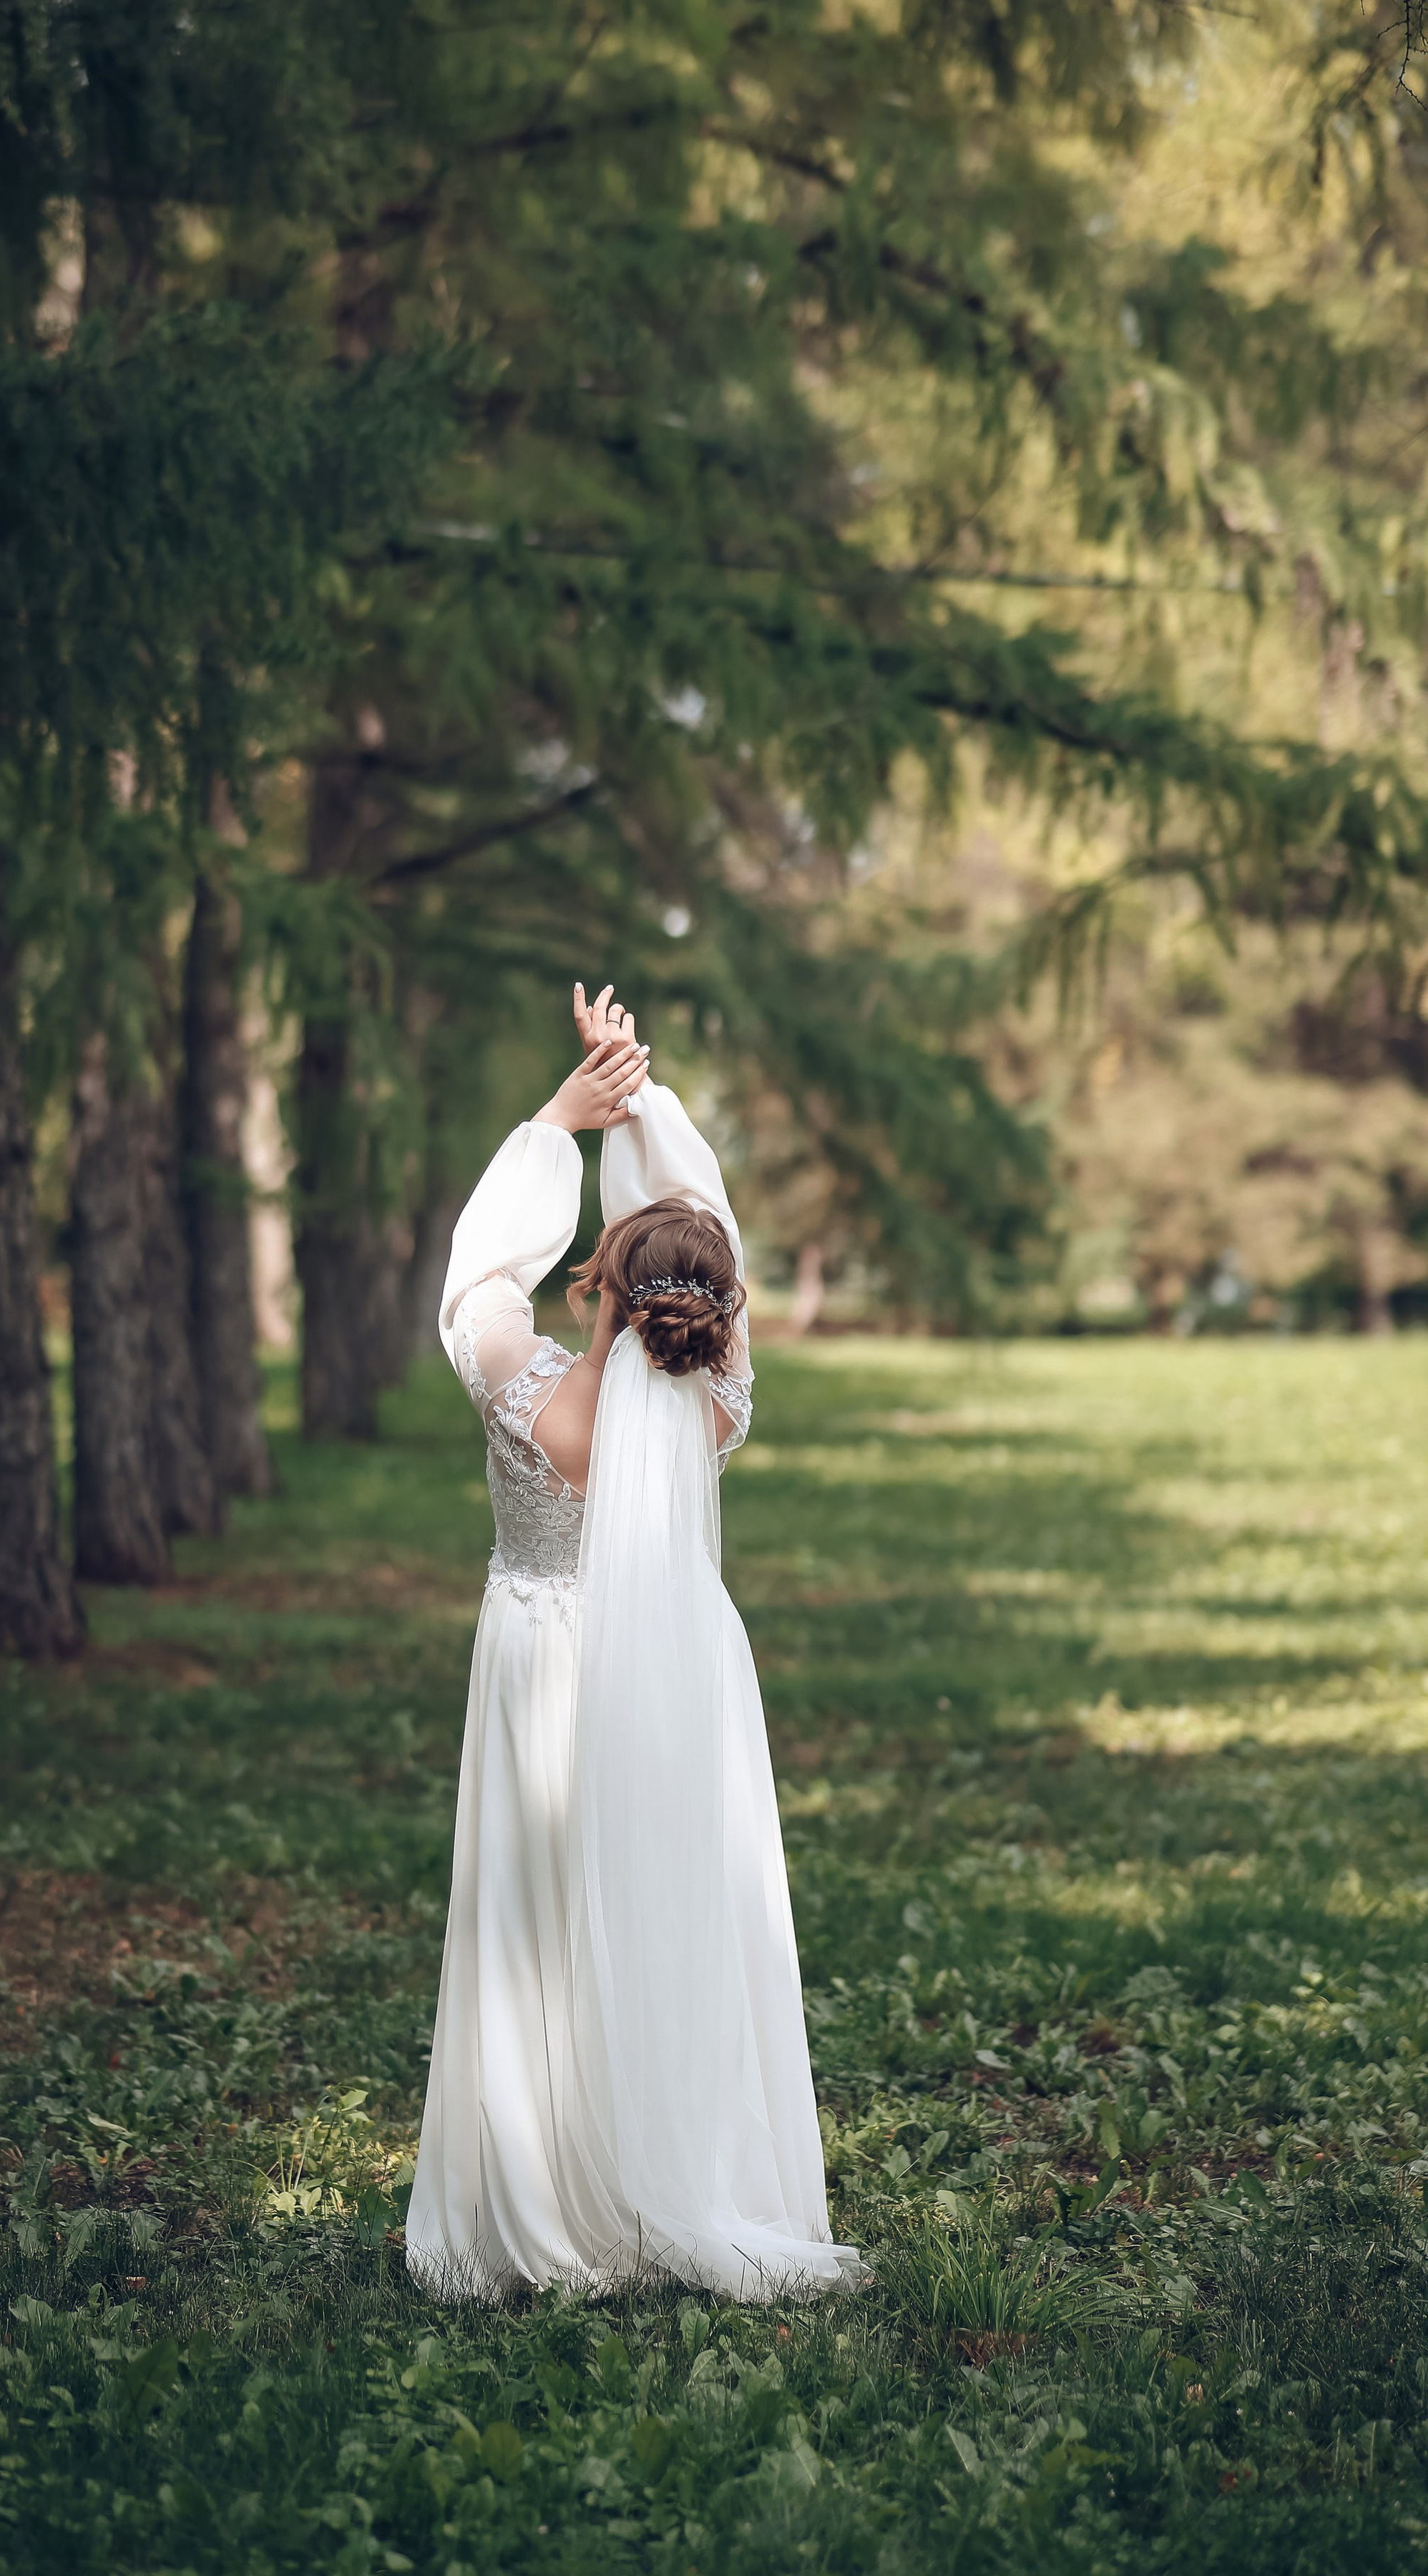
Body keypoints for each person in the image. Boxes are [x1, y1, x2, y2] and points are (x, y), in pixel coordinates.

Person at [406, 985, 864, 2299]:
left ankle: (556, 2203)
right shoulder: (720, 1398)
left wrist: (565, 1116)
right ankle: (686, 2175)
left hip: (546, 1665)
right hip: (682, 1670)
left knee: (541, 1918)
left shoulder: (523, 1383)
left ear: (599, 1284)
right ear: (713, 1307)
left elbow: (477, 1277)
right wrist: (644, 1107)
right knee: (677, 1914)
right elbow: (702, 1229)